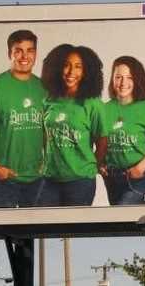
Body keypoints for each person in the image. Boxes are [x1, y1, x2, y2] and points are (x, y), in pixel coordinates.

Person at [0, 29, 46, 208]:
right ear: (10, 53)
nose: (24, 56)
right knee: (10, 234)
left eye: (30, 50)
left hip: (36, 179)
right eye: (18, 50)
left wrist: (47, 163)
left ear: (36, 53)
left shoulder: (44, 89)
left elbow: (50, 131)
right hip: (3, 179)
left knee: (30, 233)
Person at [39, 44, 107, 207]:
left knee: (71, 231)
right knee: (44, 227)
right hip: (49, 179)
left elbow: (103, 140)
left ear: (86, 72)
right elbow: (45, 135)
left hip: (80, 181)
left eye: (78, 67)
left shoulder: (93, 104)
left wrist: (92, 166)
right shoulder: (49, 100)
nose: (71, 72)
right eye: (66, 65)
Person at [101, 56, 145, 205]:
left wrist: (140, 168)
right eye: (118, 77)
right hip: (113, 178)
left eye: (129, 77)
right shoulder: (104, 110)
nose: (123, 83)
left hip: (140, 178)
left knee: (121, 217)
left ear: (137, 80)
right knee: (122, 224)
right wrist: (100, 164)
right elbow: (99, 142)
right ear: (112, 79)